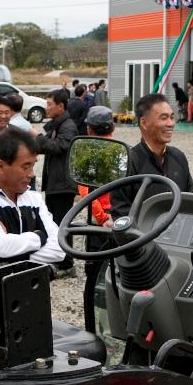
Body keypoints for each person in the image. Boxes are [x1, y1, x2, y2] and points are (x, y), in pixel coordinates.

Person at [0, 129, 64, 272]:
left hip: (28, 290)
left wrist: (10, 253)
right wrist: (40, 236)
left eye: (33, 166)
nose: (32, 174)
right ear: (1, 166)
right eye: (25, 167)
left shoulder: (34, 198)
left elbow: (60, 250)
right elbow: (0, 248)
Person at [111, 93, 193, 219]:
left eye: (172, 117)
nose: (170, 123)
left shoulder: (179, 157)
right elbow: (120, 211)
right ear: (144, 123)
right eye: (164, 118)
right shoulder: (128, 161)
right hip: (143, 237)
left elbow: (190, 201)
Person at [33, 88, 79, 276]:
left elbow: (59, 146)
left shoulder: (68, 125)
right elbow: (48, 148)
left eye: (50, 104)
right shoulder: (57, 125)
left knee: (61, 223)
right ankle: (60, 259)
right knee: (54, 222)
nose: (47, 107)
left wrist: (38, 137)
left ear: (61, 106)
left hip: (63, 185)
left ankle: (67, 264)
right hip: (55, 184)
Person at [78, 105, 117, 327]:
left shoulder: (88, 153)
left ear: (90, 130)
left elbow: (86, 194)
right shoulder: (123, 150)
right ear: (112, 126)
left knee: (94, 279)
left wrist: (102, 219)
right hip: (121, 221)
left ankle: (93, 327)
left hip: (98, 224)